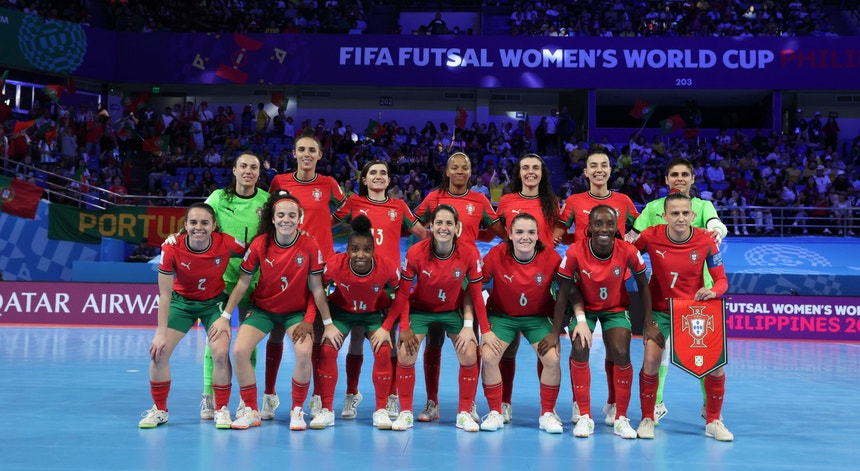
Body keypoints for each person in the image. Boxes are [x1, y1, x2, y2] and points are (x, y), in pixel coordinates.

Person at [224, 191, 337, 431]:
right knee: (240, 351)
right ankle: (252, 409)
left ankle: (297, 409)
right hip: (263, 309)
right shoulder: (259, 243)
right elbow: (243, 283)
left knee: (305, 353)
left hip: (295, 313)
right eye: (281, 215)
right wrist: (226, 316)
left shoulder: (309, 243)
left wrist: (324, 322)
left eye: (292, 215)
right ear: (273, 219)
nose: (287, 219)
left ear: (300, 218)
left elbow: (317, 288)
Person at [629, 157, 728, 424]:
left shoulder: (703, 206)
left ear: (693, 179)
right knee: (655, 358)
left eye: (685, 174)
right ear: (666, 179)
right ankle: (654, 407)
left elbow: (716, 225)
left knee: (705, 361)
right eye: (674, 174)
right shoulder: (652, 209)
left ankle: (711, 412)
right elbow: (632, 241)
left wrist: (716, 231)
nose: (679, 178)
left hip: (699, 296)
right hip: (662, 296)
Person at [541, 205, 651, 439]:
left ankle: (621, 417)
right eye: (598, 224)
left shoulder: (628, 250)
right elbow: (563, 292)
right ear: (589, 227)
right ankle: (584, 416)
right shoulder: (574, 252)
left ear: (616, 227)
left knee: (621, 351)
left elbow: (643, 285)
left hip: (615, 308)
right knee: (580, 348)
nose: (604, 228)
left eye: (610, 224)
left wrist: (649, 322)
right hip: (585, 310)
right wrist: (554, 331)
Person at [411, 152, 503, 423]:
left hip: (467, 277)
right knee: (434, 341)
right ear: (447, 171)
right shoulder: (433, 198)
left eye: (465, 166)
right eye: (455, 167)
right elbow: (413, 223)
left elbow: (498, 230)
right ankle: (431, 402)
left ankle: (470, 404)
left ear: (471, 171)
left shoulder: (480, 200)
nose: (460, 171)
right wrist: (427, 238)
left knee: (469, 339)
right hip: (437, 276)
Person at [332, 160, 426, 420]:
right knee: (357, 335)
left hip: (389, 280)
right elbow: (327, 224)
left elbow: (423, 233)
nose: (378, 176)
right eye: (373, 172)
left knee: (389, 338)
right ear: (364, 180)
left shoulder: (399, 206)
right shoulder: (352, 204)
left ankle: (392, 396)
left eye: (383, 173)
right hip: (360, 277)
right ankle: (352, 394)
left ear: (388, 180)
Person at [138, 203, 247, 429]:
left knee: (220, 352)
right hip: (181, 303)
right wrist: (160, 333)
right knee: (159, 353)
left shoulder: (226, 242)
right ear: (185, 225)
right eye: (193, 222)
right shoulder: (171, 248)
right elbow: (165, 295)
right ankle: (159, 410)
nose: (199, 227)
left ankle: (222, 409)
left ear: (214, 225)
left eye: (205, 222)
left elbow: (254, 250)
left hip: (214, 303)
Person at [388, 204, 487, 432]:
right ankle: (406, 412)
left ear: (458, 228)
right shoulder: (415, 252)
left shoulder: (470, 253)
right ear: (431, 226)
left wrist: (479, 329)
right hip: (421, 310)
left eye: (449, 223)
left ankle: (464, 411)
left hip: (453, 311)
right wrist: (404, 326)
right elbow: (403, 293)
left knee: (470, 350)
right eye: (439, 223)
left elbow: (476, 294)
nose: (444, 227)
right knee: (405, 351)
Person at [268, 133, 346, 420]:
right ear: (294, 153)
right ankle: (270, 395)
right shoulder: (279, 183)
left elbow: (346, 210)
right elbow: (271, 216)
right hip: (287, 262)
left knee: (314, 331)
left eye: (312, 150)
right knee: (278, 326)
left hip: (320, 262)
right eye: (301, 149)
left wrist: (328, 224)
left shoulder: (328, 184)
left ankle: (315, 396)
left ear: (319, 156)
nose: (306, 154)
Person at [198, 152, 269, 421]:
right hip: (223, 281)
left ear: (259, 173)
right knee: (216, 339)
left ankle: (245, 399)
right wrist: (177, 236)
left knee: (246, 344)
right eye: (243, 166)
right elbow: (199, 222)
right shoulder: (218, 198)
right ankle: (208, 395)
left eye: (254, 167)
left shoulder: (267, 201)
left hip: (256, 283)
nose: (248, 171)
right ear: (234, 170)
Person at [478, 213, 564, 434]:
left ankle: (547, 413)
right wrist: (483, 329)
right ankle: (496, 411)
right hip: (502, 316)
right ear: (510, 235)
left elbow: (567, 293)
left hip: (537, 318)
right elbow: (475, 288)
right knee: (488, 357)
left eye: (531, 232)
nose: (525, 237)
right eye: (519, 232)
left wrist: (556, 331)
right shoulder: (496, 254)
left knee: (552, 359)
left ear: (538, 236)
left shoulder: (552, 258)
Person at [492, 153, 562, 423]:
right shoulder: (508, 201)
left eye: (536, 168)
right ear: (518, 173)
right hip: (513, 275)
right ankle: (505, 403)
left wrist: (549, 246)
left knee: (545, 346)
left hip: (543, 280)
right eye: (525, 168)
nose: (531, 172)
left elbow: (557, 231)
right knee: (507, 348)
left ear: (542, 173)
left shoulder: (550, 203)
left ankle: (547, 408)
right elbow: (500, 229)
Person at [318, 215, 402, 429]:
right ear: (347, 250)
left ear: (374, 250)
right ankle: (327, 409)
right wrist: (327, 323)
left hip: (373, 312)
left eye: (366, 249)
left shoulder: (386, 266)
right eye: (354, 249)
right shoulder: (335, 265)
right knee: (327, 350)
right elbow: (317, 290)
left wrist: (386, 327)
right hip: (342, 311)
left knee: (383, 349)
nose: (360, 255)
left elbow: (402, 297)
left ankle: (381, 409)